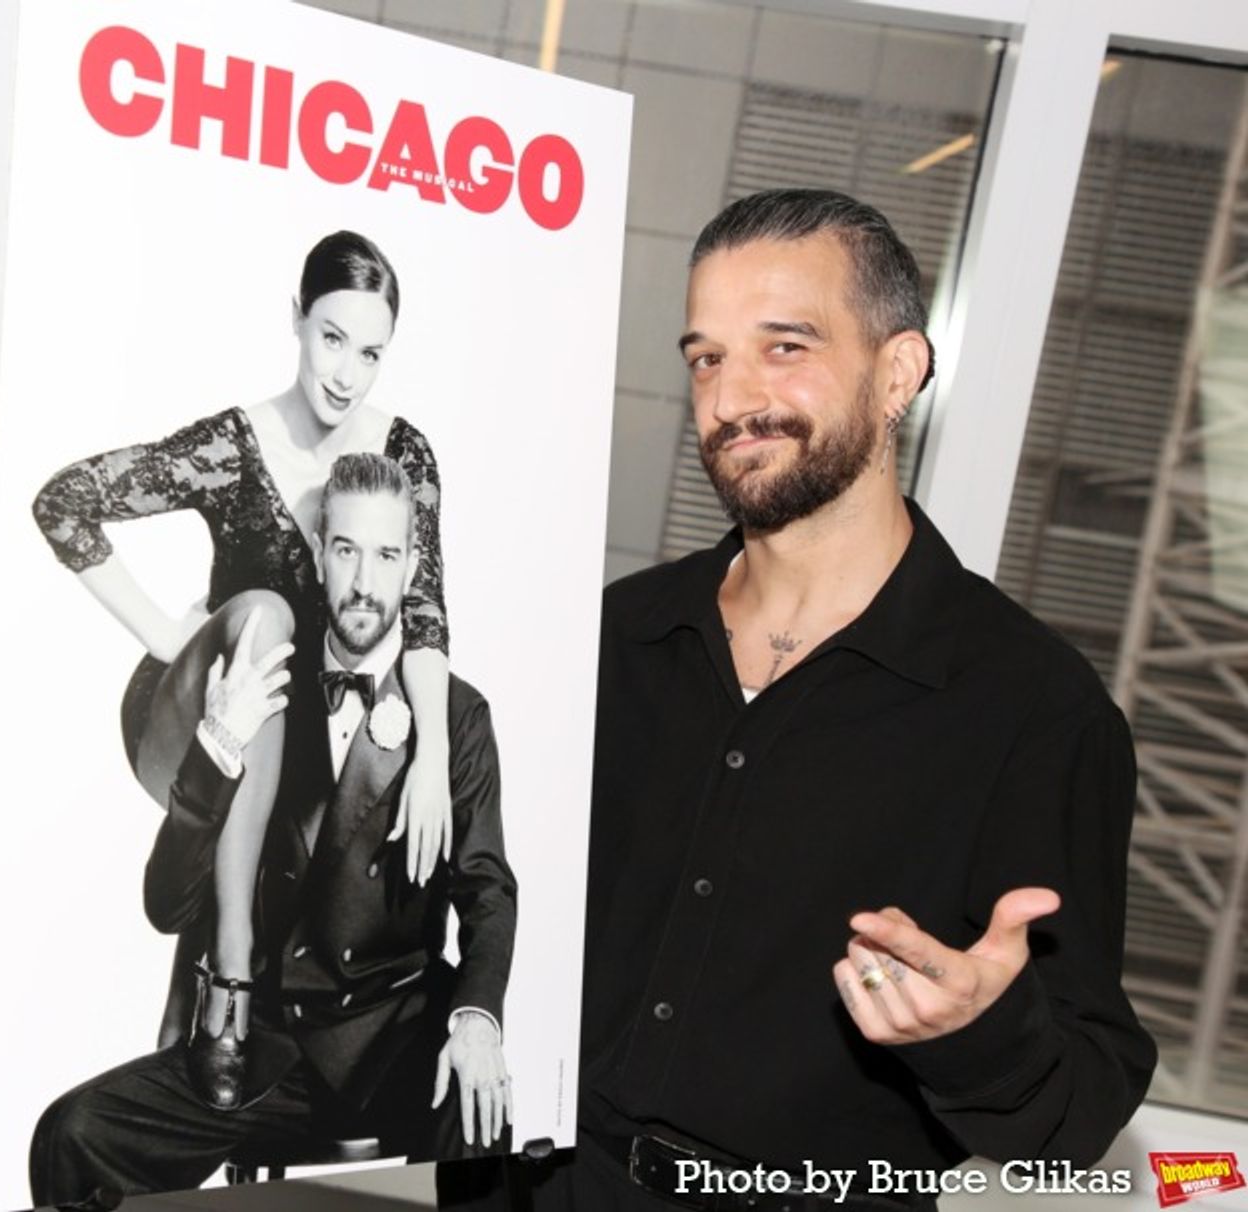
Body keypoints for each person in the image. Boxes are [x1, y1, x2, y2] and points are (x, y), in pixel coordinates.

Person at [439, 188, 1155, 1211]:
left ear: (897, 371)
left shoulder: (1033, 712)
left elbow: (1075, 1121)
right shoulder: (611, 638)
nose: (732, 399)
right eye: (706, 357)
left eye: (784, 347)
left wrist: (976, 1036)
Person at [31, 231, 455, 1108]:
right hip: (196, 722)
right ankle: (227, 966)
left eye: (370, 352)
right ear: (295, 320)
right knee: (264, 615)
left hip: (295, 752)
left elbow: (424, 615)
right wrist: (165, 636)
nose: (346, 371)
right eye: (331, 337)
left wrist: (439, 765)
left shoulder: (401, 458)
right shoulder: (232, 445)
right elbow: (63, 502)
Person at [30, 453, 517, 1209]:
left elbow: (488, 893)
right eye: (347, 550)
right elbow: (166, 906)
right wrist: (219, 745)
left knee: (481, 1117)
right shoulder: (257, 690)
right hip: (266, 1046)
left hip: (396, 1038)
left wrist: (477, 1018)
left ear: (412, 565)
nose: (363, 581)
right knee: (73, 1132)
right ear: (320, 553)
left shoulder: (454, 718)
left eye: (386, 555)